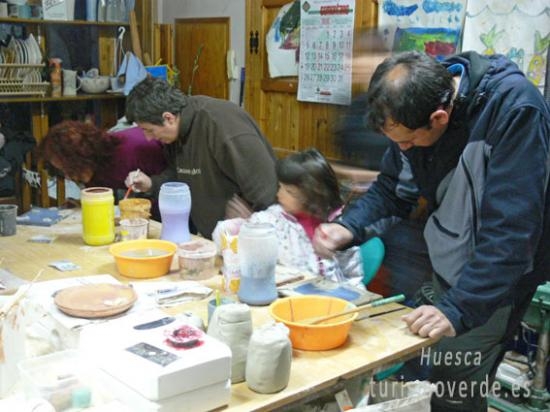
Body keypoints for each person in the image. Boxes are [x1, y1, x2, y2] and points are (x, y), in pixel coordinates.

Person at [313, 50, 550, 411]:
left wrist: (457, 309)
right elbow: (393, 187)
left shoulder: (515, 111)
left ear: (439, 118)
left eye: (406, 141)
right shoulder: (418, 101)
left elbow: (511, 236)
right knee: (433, 371)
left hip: (498, 276)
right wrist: (348, 227)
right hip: (451, 258)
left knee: (455, 389)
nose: (401, 149)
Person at [123, 77, 278, 238]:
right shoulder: (175, 134)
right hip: (216, 239)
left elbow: (267, 190)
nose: (148, 138)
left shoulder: (222, 126)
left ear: (168, 118)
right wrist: (151, 184)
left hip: (253, 238)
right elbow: (182, 175)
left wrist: (256, 221)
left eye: (149, 130)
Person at [213, 148, 364, 284]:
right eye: (280, 187)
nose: (279, 194)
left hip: (333, 302)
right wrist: (242, 228)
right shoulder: (272, 219)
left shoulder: (339, 226)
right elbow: (225, 243)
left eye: (289, 192)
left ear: (313, 195)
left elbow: (354, 277)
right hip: (288, 297)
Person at [38, 119, 167, 218]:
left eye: (69, 169)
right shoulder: (90, 169)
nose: (68, 176)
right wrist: (82, 205)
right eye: (62, 171)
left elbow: (168, 187)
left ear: (82, 155)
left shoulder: (134, 150)